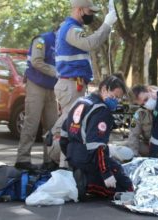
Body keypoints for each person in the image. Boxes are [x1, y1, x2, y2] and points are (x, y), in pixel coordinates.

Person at [50, 0, 118, 167]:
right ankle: (63, 171)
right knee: (69, 128)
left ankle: (58, 163)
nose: (92, 14)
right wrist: (107, 24)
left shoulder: (70, 28)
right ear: (80, 10)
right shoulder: (71, 29)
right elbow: (90, 44)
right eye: (90, 11)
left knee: (66, 126)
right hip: (71, 86)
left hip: (73, 85)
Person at [60, 75, 133, 199]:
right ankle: (87, 182)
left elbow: (64, 134)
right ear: (104, 89)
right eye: (114, 96)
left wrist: (71, 158)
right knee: (125, 186)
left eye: (119, 98)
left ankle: (81, 175)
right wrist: (106, 173)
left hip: (73, 155)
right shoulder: (102, 111)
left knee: (109, 160)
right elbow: (97, 146)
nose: (116, 101)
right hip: (88, 157)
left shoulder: (80, 102)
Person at [15, 30, 59, 171]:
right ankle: (23, 159)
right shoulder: (42, 40)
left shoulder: (64, 44)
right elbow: (36, 61)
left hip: (52, 88)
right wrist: (55, 71)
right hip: (36, 85)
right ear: (60, 29)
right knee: (31, 123)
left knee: (52, 126)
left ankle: (50, 160)